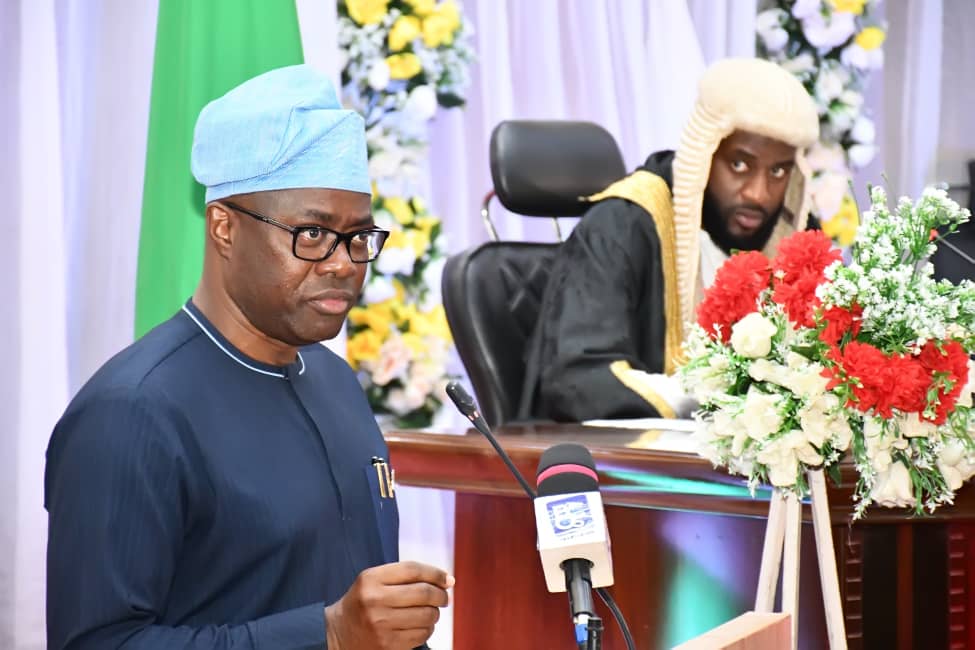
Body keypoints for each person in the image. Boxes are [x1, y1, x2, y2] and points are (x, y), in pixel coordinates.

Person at [45, 65, 450, 650]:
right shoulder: (131, 412)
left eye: (358, 238)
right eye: (312, 234)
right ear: (224, 228)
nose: (343, 263)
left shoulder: (333, 379)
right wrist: (328, 634)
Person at [518, 58, 821, 423]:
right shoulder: (620, 225)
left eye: (778, 171)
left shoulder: (790, 236)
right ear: (705, 152)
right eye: (739, 165)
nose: (759, 193)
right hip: (618, 457)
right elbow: (578, 380)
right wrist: (719, 399)